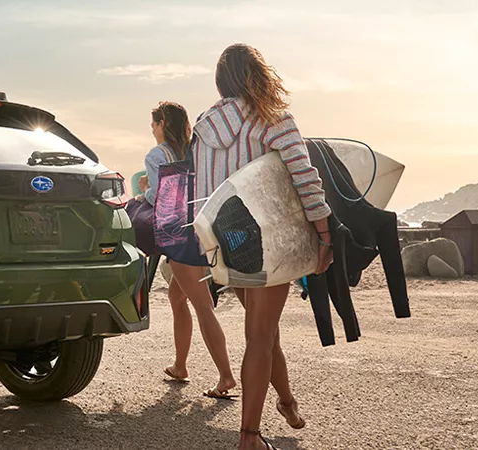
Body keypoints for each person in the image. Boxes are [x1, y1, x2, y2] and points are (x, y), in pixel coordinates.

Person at [193, 44, 331, 450]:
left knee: (265, 334)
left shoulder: (204, 127)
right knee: (260, 337)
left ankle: (286, 403)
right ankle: (249, 437)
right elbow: (306, 181)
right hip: (269, 244)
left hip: (227, 244)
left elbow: (204, 195)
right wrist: (324, 236)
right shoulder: (274, 120)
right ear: (259, 75)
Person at [139, 101, 239, 400]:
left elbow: (161, 197)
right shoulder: (194, 151)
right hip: (202, 228)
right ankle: (181, 365)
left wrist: (144, 188)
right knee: (176, 295)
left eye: (153, 123)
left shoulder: (157, 155)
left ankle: (226, 377)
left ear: (162, 124)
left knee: (202, 306)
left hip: (179, 236)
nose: (151, 129)